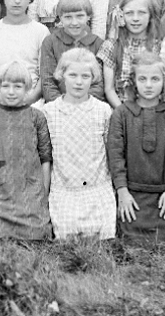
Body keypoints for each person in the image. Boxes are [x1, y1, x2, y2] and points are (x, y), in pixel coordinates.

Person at [108, 52, 165, 240]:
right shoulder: (121, 113)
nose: (149, 85)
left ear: (164, 81)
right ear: (133, 81)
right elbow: (116, 157)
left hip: (164, 193)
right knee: (130, 237)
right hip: (131, 193)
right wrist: (122, 192)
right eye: (142, 79)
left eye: (155, 79)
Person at [43, 48, 115, 239]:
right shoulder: (49, 112)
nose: (79, 82)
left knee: (103, 235)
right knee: (67, 235)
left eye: (85, 76)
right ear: (62, 75)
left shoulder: (103, 110)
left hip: (97, 188)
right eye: (73, 75)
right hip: (64, 189)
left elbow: (110, 153)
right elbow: (46, 157)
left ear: (93, 78)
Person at [0, 61, 53, 239]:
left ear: (27, 88)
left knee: (38, 231)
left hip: (28, 189)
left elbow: (45, 159)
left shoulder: (37, 117)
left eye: (17, 86)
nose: (11, 92)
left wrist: (43, 195)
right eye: (6, 86)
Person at [0, 0, 50, 107]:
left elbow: (45, 75)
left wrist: (30, 99)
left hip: (31, 99)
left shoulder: (41, 32)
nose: (17, 0)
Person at [97, 0, 161, 109]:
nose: (135, 18)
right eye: (129, 13)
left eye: (141, 13)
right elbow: (109, 89)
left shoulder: (158, 47)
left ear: (150, 16)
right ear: (120, 16)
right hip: (121, 109)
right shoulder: (111, 46)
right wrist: (125, 113)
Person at [40, 0, 104, 103]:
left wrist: (83, 104)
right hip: (57, 104)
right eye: (68, 17)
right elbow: (48, 83)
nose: (74, 22)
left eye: (80, 16)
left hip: (89, 105)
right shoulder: (50, 42)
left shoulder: (97, 44)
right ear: (60, 18)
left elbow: (98, 84)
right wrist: (62, 105)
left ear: (88, 16)